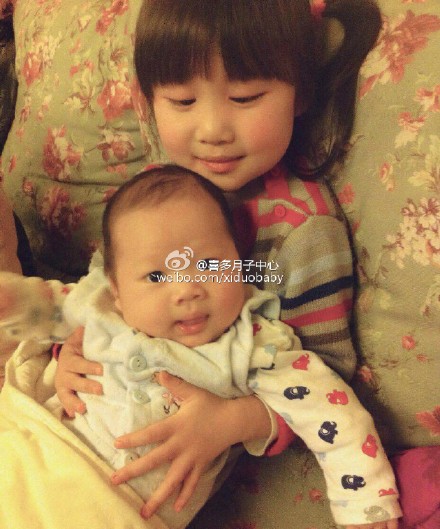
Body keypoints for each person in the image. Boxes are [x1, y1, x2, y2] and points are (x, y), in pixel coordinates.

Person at [54, 0, 385, 523]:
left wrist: (231, 422)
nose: (212, 129)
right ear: (149, 100)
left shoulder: (302, 230)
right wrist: (69, 353)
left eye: (245, 97)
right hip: (77, 431)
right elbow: (109, 287)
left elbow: (327, 374)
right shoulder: (155, 188)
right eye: (182, 101)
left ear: (300, 93)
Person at [0, 166, 401, 529]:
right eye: (156, 276)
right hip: (39, 450)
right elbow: (52, 309)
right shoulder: (101, 305)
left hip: (118, 509)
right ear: (117, 289)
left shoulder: (254, 344)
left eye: (209, 265)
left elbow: (328, 407)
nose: (187, 290)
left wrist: (364, 499)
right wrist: (14, 300)